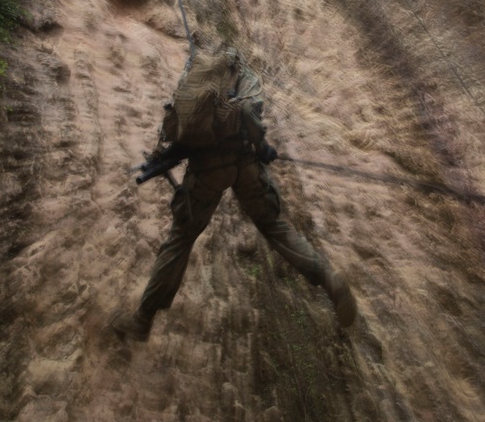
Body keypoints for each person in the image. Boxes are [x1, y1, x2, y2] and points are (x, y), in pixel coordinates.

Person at [111, 46, 356, 341]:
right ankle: (329, 281)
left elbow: (183, 126)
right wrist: (263, 147)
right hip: (245, 166)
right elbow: (252, 113)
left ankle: (142, 320)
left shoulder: (197, 77)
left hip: (207, 172)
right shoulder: (246, 76)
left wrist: (170, 155)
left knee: (181, 239)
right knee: (275, 227)